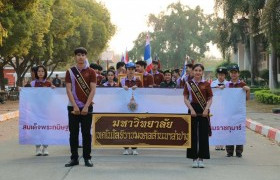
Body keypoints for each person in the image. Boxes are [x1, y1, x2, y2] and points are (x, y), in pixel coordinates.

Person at [65, 47, 97, 167]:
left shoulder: (91, 72)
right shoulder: (70, 71)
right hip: (72, 107)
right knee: (73, 133)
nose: (80, 57)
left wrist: (86, 107)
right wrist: (74, 106)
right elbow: (68, 90)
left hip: (86, 108)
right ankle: (74, 158)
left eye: (83, 55)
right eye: (78, 54)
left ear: (86, 56)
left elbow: (93, 90)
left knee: (86, 134)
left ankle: (87, 158)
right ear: (75, 57)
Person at [183, 64, 213, 168]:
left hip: (203, 109)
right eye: (196, 70)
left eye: (200, 70)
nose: (197, 72)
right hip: (192, 109)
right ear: (193, 72)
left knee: (203, 134)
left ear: (202, 72)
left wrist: (206, 109)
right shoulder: (188, 84)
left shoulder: (206, 84)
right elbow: (185, 98)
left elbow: (210, 98)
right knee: (192, 134)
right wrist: (191, 109)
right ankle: (194, 158)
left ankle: (201, 158)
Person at [225, 65, 250, 158]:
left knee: (239, 130)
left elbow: (247, 99)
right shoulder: (227, 85)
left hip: (239, 112)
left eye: (235, 72)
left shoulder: (243, 84)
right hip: (229, 112)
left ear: (238, 73)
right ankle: (229, 151)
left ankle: (239, 151)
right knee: (229, 131)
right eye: (232, 72)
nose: (234, 74)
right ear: (230, 74)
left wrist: (248, 90)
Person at [31, 65, 55, 156]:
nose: (40, 73)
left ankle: (45, 148)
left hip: (46, 110)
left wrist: (53, 89)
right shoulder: (33, 83)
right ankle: (37, 148)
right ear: (36, 73)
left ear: (45, 73)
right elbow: (28, 94)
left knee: (45, 128)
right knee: (36, 128)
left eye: (42, 71)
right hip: (35, 110)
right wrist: (22, 89)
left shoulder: (49, 84)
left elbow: (52, 96)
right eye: (39, 71)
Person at [119, 62, 142, 155]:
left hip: (135, 107)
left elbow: (143, 93)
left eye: (133, 69)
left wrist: (138, 88)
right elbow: (117, 93)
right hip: (124, 107)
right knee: (125, 127)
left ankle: (134, 147)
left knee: (135, 126)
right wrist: (122, 89)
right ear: (126, 70)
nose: (131, 71)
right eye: (129, 69)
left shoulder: (138, 81)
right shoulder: (122, 81)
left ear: (135, 70)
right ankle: (125, 148)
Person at [211, 67, 228, 151]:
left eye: (222, 75)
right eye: (219, 75)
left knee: (224, 126)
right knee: (216, 125)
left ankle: (223, 143)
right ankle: (217, 143)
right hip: (216, 108)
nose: (220, 76)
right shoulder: (213, 84)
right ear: (217, 75)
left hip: (225, 108)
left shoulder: (228, 84)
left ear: (225, 75)